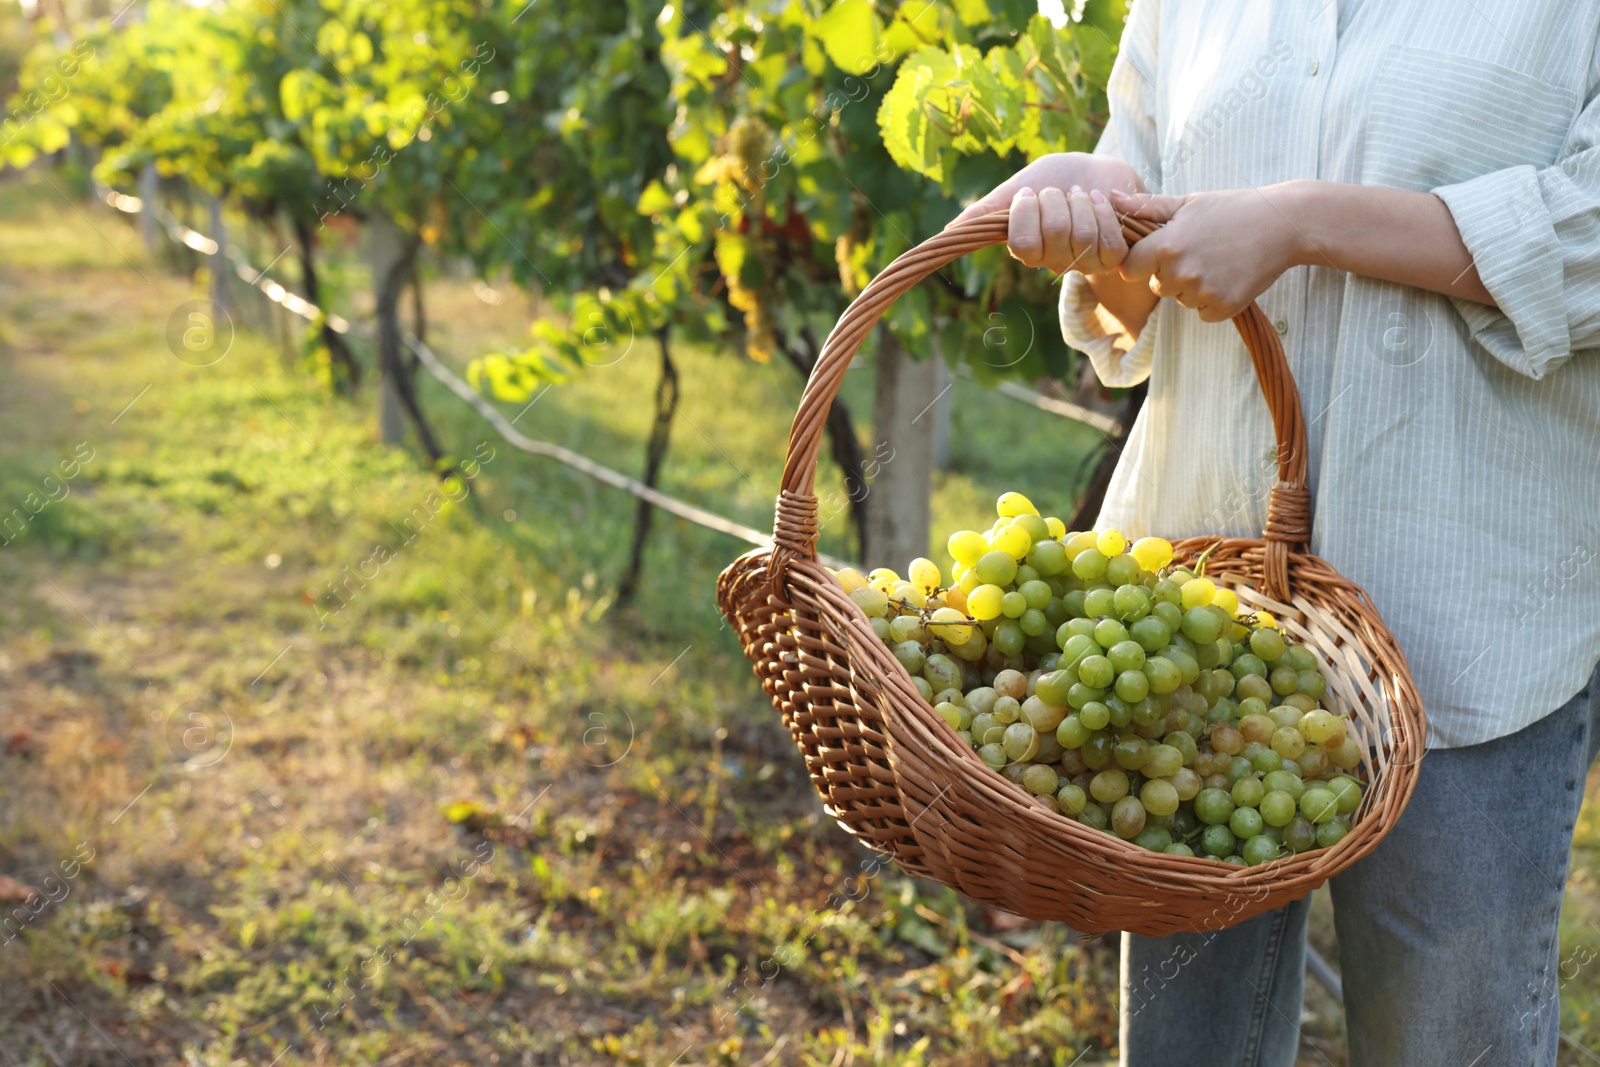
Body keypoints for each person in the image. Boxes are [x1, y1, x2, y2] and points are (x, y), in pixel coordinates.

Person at [954, 2, 1600, 1065]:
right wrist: (1093, 221)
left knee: (1442, 1042)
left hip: (1473, 612)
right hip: (1198, 625)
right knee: (1183, 1043)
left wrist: (1302, 219)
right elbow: (1134, 297)